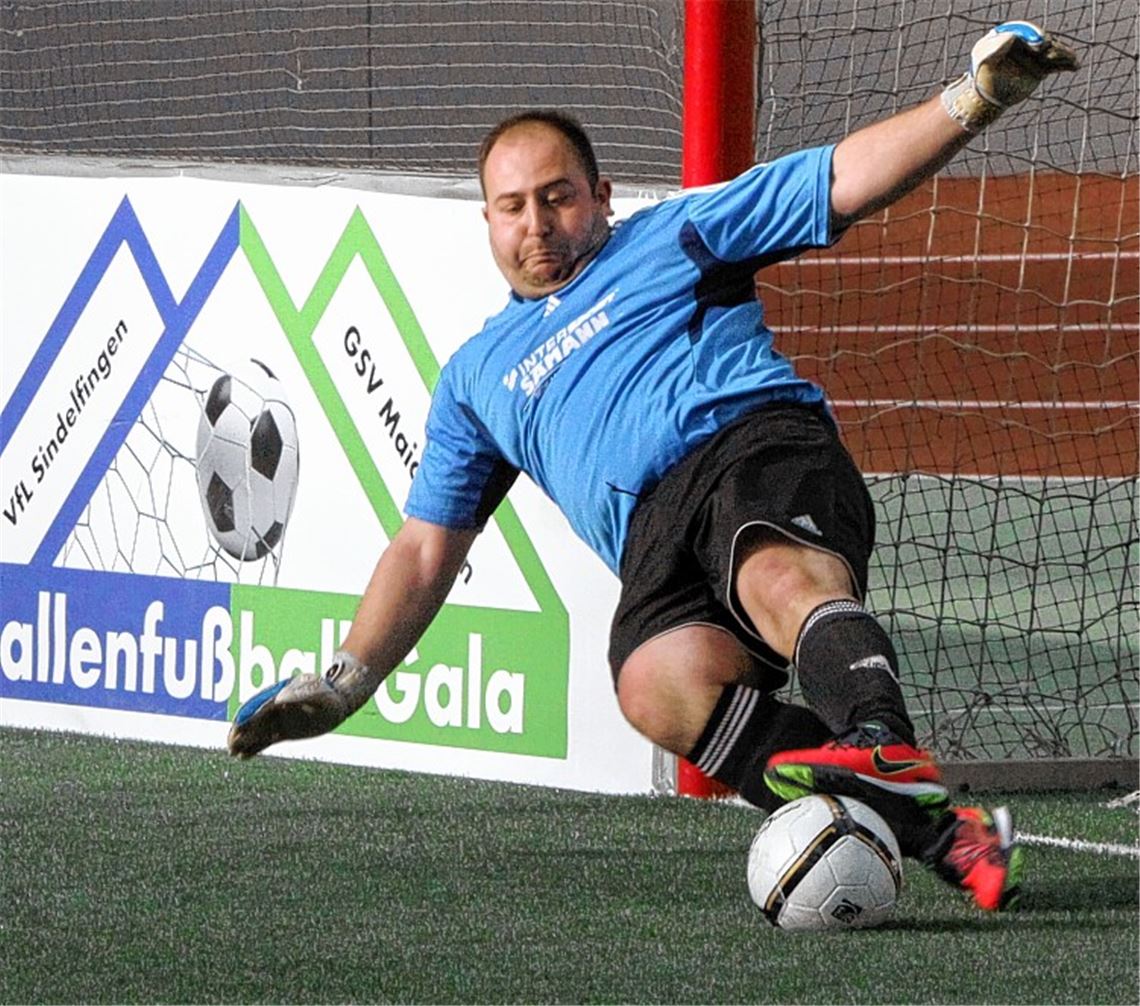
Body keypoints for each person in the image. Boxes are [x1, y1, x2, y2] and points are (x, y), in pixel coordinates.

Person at [228, 22, 1078, 912]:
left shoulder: (679, 233)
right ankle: (952, 837)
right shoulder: (476, 379)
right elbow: (423, 551)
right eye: (512, 206)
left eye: (556, 197)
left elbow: (840, 180)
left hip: (754, 449)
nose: (536, 223)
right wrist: (343, 686)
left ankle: (881, 738)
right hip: (654, 540)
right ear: (486, 220)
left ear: (599, 196)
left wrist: (974, 98)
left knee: (778, 577)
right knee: (654, 688)